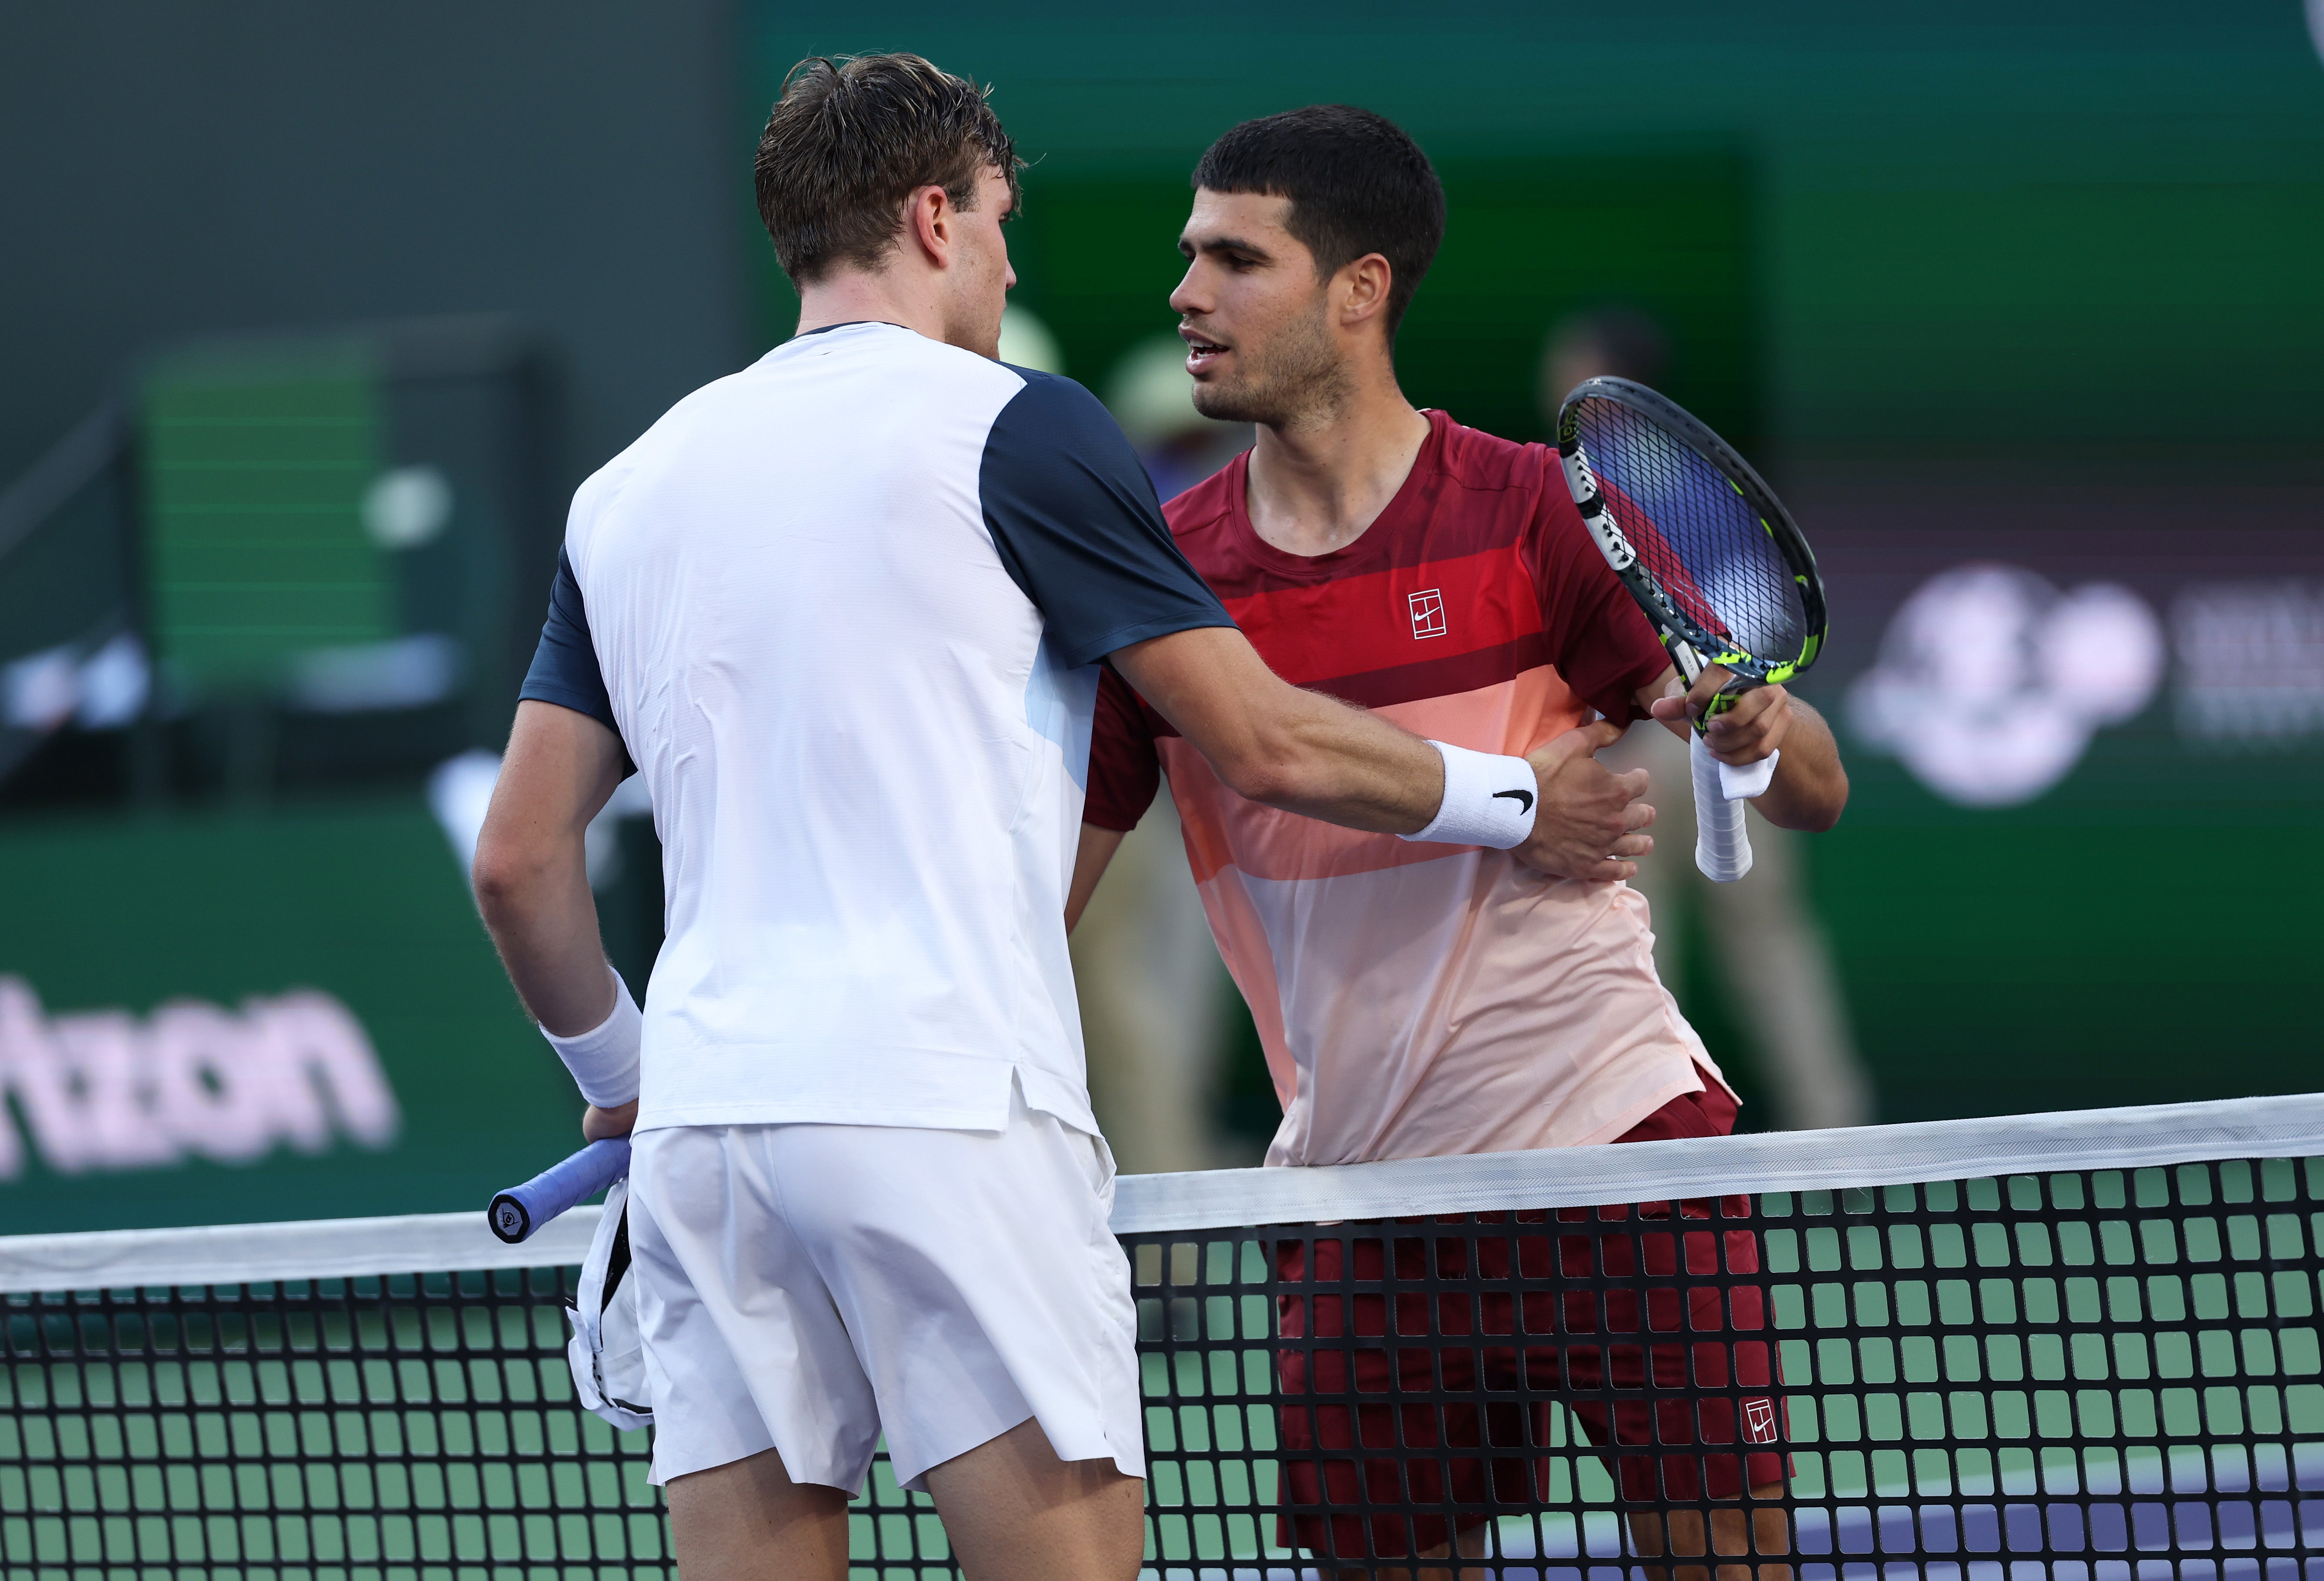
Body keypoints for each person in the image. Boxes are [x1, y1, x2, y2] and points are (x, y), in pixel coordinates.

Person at [470, 57, 1632, 1581]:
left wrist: (624, 1081)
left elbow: (518, 860)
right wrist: (1514, 798)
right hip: (946, 1109)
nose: (1015, 262)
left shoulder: (623, 491)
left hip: (710, 1137)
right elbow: (1260, 735)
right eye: (1005, 221)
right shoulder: (1020, 426)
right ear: (934, 214)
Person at [1070, 106, 1851, 1581]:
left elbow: (1813, 786)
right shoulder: (1168, 579)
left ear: (1357, 290)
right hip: (1360, 1190)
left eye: (1235, 259)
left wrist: (1756, 727)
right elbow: (1045, 884)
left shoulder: (1529, 510)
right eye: (1188, 256)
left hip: (1615, 1146)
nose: (1185, 292)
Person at [1541, 311, 1874, 1132]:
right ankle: (1835, 1130)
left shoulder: (1571, 482)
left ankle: (1659, 1135)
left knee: (1637, 954)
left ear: (1600, 374)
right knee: (1767, 948)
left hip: (1656, 740)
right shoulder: (1706, 485)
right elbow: (1759, 629)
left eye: (1568, 359)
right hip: (1735, 724)